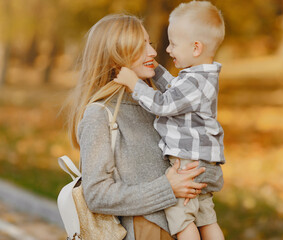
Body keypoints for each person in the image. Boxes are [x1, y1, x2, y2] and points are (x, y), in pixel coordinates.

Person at [66, 14, 224, 240]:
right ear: (114, 59)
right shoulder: (100, 114)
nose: (152, 52)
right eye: (139, 47)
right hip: (146, 230)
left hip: (188, 226)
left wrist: (202, 174)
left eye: (149, 43)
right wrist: (166, 189)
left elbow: (194, 158)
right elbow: (96, 195)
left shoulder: (162, 104)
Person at [114, 1, 226, 240]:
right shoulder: (201, 77)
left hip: (186, 162)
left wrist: (134, 84)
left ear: (196, 48)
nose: (168, 50)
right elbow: (174, 90)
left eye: (174, 44)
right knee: (207, 218)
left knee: (182, 219)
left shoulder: (194, 81)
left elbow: (163, 104)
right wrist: (158, 69)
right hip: (203, 160)